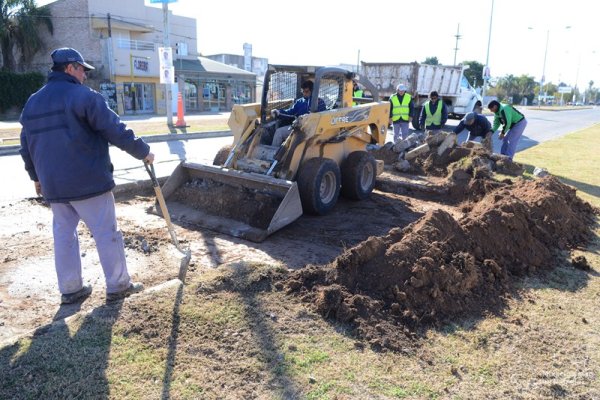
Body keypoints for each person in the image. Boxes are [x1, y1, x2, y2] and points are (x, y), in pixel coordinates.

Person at [19, 48, 155, 304]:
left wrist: (35, 177)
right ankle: (118, 285)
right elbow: (115, 129)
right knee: (106, 233)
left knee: (63, 235)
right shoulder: (84, 97)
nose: (85, 75)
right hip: (89, 183)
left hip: (53, 187)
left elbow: (26, 145)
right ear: (70, 68)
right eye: (82, 69)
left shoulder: (32, 102)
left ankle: (70, 289)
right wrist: (143, 152)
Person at [271, 80, 326, 147]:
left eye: (306, 91)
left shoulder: (320, 102)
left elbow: (322, 117)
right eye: (303, 91)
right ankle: (273, 154)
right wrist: (279, 112)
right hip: (298, 128)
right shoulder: (299, 102)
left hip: (312, 130)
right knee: (279, 132)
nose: (304, 93)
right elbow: (290, 112)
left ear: (312, 91)